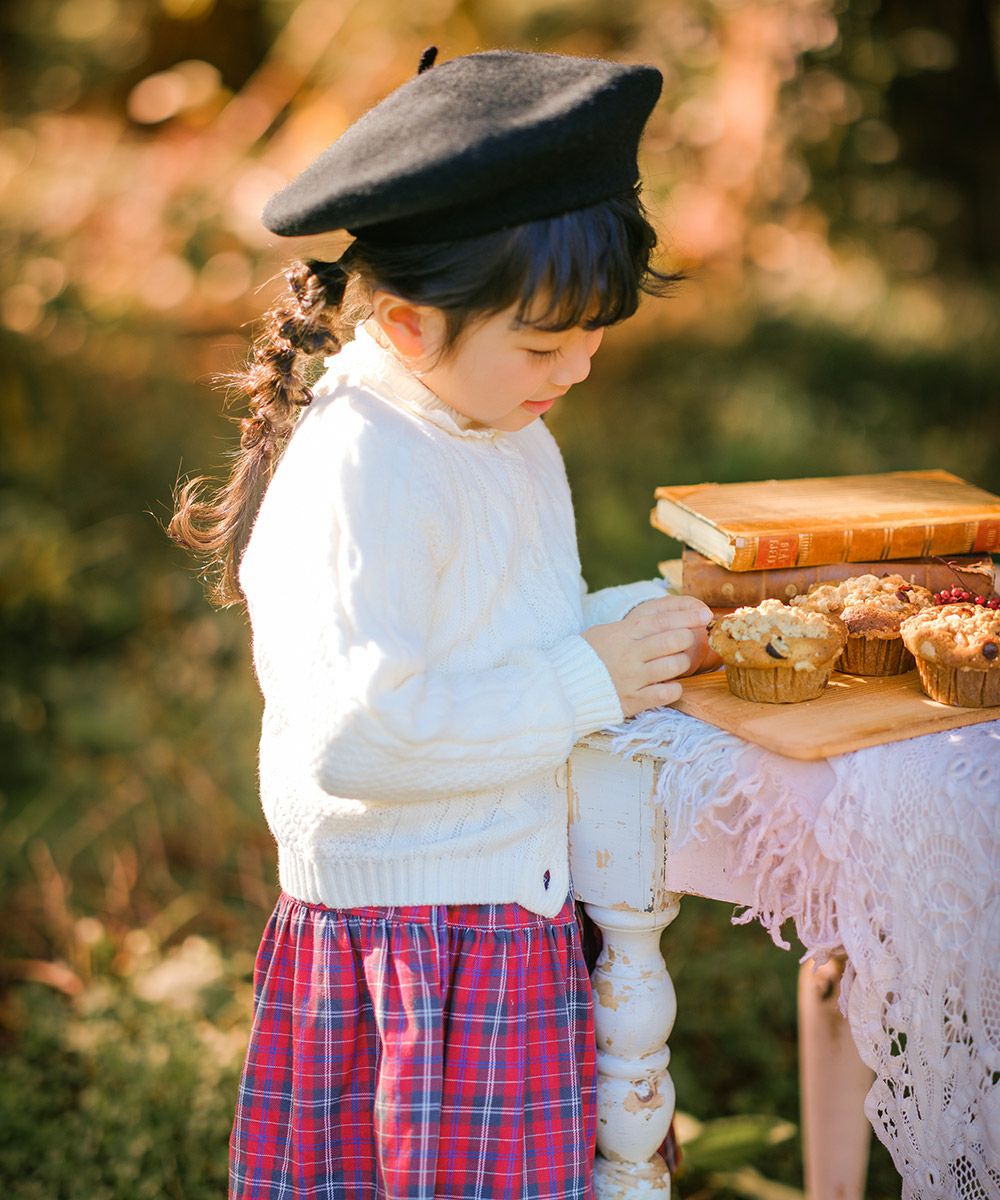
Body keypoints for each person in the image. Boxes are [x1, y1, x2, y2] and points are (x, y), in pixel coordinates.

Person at [170, 46, 714, 1200]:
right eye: (542, 340)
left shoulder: (507, 426)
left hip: (502, 919)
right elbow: (362, 735)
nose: (576, 367)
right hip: (417, 952)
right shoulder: (363, 464)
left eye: (593, 333)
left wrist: (645, 624)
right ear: (411, 326)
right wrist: (588, 681)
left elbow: (511, 635)